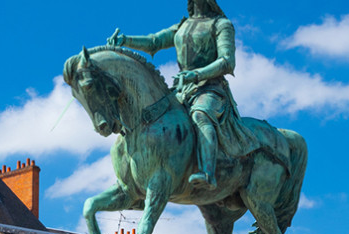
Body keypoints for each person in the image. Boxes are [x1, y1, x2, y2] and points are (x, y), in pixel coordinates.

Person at [108, 0, 258, 191]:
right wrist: (125, 41)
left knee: (200, 115)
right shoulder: (183, 25)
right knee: (150, 116)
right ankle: (137, 180)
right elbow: (154, 41)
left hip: (210, 88)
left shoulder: (221, 24)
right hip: (181, 91)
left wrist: (196, 74)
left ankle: (207, 172)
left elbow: (227, 62)